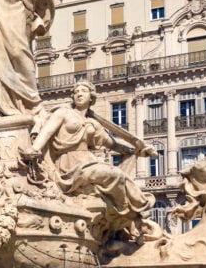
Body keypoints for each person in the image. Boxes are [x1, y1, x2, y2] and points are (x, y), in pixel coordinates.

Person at [25, 80, 155, 238]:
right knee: (115, 175)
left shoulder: (92, 123)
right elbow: (47, 132)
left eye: (83, 91)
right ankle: (130, 211)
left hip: (88, 160)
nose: (79, 93)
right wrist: (35, 149)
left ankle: (129, 214)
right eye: (76, 91)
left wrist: (138, 151)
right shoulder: (63, 113)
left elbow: (113, 144)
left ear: (91, 97)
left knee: (121, 177)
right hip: (69, 164)